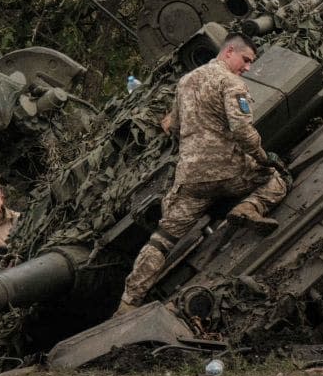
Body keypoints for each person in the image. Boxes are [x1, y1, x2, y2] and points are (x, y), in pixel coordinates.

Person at [115, 35, 288, 315]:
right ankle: (249, 207)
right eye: (245, 60)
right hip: (230, 171)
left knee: (162, 240)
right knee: (278, 178)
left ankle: (127, 303)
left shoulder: (186, 82)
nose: (246, 68)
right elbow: (242, 131)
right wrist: (264, 159)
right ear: (229, 51)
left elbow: (172, 126)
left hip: (191, 179)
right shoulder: (231, 83)